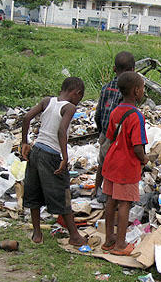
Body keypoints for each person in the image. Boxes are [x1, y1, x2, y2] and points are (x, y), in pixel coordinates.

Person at [21, 77, 87, 246]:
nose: (78, 101)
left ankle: (37, 234)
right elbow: (61, 131)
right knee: (63, 193)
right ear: (77, 93)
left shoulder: (46, 101)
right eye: (80, 98)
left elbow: (27, 117)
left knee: (33, 193)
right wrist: (65, 157)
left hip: (36, 151)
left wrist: (24, 143)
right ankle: (74, 236)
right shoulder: (69, 107)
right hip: (51, 155)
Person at [101, 71, 149, 256]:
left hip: (112, 162)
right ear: (136, 91)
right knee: (124, 204)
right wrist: (145, 160)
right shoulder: (136, 116)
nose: (143, 91)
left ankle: (109, 239)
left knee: (110, 202)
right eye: (143, 88)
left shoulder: (116, 111)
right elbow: (138, 147)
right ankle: (121, 244)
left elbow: (111, 137)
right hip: (127, 166)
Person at [94, 51, 136, 202]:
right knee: (114, 166)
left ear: (114, 69)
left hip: (105, 133)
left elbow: (98, 114)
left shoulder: (105, 88)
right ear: (133, 70)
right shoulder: (127, 92)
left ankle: (96, 189)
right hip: (118, 138)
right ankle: (112, 194)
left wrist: (101, 131)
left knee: (102, 162)